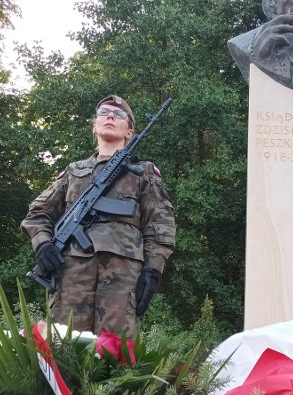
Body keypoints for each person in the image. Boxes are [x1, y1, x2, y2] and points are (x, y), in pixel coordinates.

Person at [21, 95, 176, 338]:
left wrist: (153, 270)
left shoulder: (143, 173)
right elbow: (37, 213)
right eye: (103, 112)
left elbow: (161, 225)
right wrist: (42, 245)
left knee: (115, 355)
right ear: (94, 125)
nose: (111, 116)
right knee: (65, 351)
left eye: (119, 114)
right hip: (71, 277)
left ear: (130, 132)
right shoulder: (73, 172)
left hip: (122, 280)